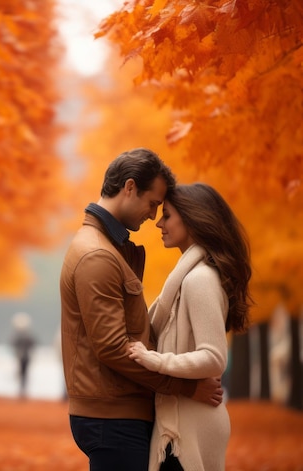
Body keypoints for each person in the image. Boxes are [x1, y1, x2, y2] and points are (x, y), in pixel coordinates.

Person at [59, 148, 224, 471]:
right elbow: (113, 348)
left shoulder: (111, 249)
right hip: (113, 415)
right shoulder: (98, 255)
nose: (153, 216)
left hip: (117, 410)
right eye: (152, 204)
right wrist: (187, 387)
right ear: (130, 187)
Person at [128, 183, 252, 471]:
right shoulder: (186, 278)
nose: (159, 222)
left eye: (167, 215)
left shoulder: (199, 279)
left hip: (190, 427)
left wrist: (154, 360)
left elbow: (214, 357)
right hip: (183, 420)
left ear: (192, 218)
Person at [10, 312, 36, 398]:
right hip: (23, 357)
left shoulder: (22, 336)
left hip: (24, 358)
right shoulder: (26, 336)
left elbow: (13, 344)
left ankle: (22, 390)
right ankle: (22, 389)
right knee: (23, 374)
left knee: (23, 373)